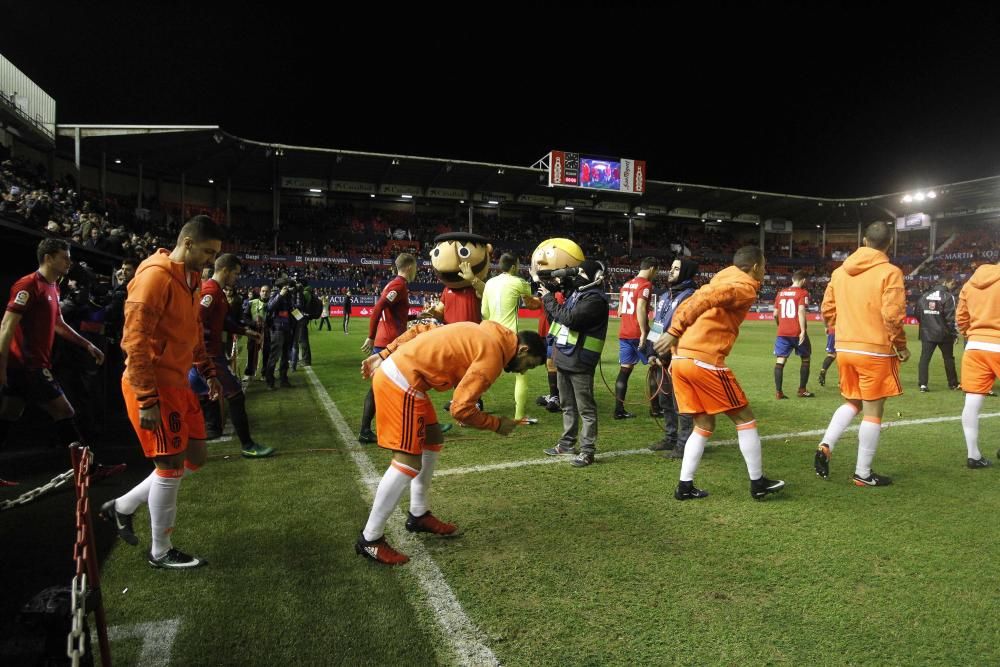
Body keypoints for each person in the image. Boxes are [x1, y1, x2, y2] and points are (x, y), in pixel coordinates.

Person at [355, 320, 546, 565]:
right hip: (401, 383)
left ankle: (418, 514)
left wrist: (384, 353)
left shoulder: (486, 330)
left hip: (405, 377)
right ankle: (370, 539)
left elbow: (423, 328)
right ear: (523, 350)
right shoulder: (493, 356)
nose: (522, 371)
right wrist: (497, 424)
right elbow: (461, 409)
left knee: (433, 437)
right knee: (408, 462)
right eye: (527, 366)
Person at [100, 215, 224, 569]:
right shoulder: (155, 276)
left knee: (194, 457)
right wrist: (147, 399)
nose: (210, 260)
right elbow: (134, 341)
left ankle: (122, 507)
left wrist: (208, 371)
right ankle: (160, 551)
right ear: (187, 243)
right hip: (153, 385)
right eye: (207, 252)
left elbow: (194, 331)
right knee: (169, 465)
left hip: (179, 382)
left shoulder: (192, 278)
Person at [653, 246, 785, 501]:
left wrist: (673, 334)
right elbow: (709, 297)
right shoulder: (743, 286)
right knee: (745, 419)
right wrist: (674, 331)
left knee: (703, 424)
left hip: (681, 359)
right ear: (755, 267)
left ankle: (684, 486)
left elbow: (694, 300)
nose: (766, 272)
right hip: (704, 360)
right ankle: (758, 483)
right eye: (765, 266)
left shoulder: (720, 279)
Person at [0, 238, 122, 486]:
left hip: (28, 366)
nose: (69, 261)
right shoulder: (28, 285)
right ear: (48, 258)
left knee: (9, 415)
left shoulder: (53, 287)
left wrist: (87, 345)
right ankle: (90, 469)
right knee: (65, 412)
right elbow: (6, 327)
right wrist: (1, 368)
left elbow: (58, 324)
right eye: (64, 257)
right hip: (28, 367)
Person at [813, 222, 910, 487]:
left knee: (852, 402)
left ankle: (826, 445)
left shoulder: (840, 273)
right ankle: (863, 473)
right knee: (873, 412)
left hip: (845, 348)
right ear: (889, 243)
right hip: (875, 350)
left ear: (864, 241)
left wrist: (841, 330)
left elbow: (827, 308)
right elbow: (892, 316)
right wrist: (901, 346)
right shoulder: (890, 272)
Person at [189, 254, 274, 458]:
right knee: (235, 395)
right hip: (208, 355)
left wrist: (245, 331)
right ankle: (247, 444)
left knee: (197, 396)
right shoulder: (210, 291)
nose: (237, 278)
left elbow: (222, 322)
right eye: (235, 273)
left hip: (208, 354)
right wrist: (202, 354)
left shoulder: (216, 292)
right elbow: (195, 322)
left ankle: (197, 437)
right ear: (225, 270)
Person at [539, 259, 610, 468]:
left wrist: (548, 299)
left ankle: (587, 451)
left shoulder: (595, 300)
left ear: (596, 278)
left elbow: (568, 318)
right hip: (565, 358)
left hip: (580, 362)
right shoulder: (578, 294)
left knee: (585, 409)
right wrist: (552, 281)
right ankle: (567, 444)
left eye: (582, 274)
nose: (577, 277)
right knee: (567, 405)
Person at [359, 253, 417, 443]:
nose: (417, 271)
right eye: (415, 267)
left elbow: (394, 315)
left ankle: (366, 430)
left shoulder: (395, 285)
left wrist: (417, 317)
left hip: (388, 342)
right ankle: (417, 424)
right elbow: (378, 308)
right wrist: (370, 336)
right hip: (391, 343)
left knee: (381, 386)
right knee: (411, 381)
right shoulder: (398, 285)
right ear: (409, 267)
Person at [481, 253, 542, 423]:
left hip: (489, 333)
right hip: (509, 336)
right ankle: (519, 416)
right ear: (514, 267)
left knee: (480, 373)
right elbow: (532, 303)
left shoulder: (489, 283)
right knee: (521, 373)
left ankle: (468, 409)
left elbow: (484, 312)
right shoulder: (518, 282)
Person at [647, 257, 698, 458]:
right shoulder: (666, 296)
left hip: (679, 359)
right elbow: (658, 326)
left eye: (676, 269)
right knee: (665, 400)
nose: (671, 271)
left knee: (681, 404)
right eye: (671, 267)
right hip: (661, 358)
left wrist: (665, 354)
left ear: (685, 272)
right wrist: (651, 352)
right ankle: (670, 438)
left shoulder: (690, 297)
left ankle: (684, 444)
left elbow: (685, 331)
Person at [955, 262, 999, 468]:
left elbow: (961, 317)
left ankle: (973, 455)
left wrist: (971, 335)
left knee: (972, 401)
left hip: (975, 347)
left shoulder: (970, 283)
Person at [614, 257, 657, 419]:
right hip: (638, 333)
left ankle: (618, 410)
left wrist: (644, 307)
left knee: (624, 371)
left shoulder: (626, 285)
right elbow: (639, 306)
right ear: (652, 269)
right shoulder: (645, 284)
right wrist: (644, 332)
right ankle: (656, 409)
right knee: (656, 367)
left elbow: (619, 311)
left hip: (624, 333)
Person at [773, 270, 815, 399]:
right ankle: (802, 390)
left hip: (783, 332)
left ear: (792, 279)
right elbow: (801, 311)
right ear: (803, 280)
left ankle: (779, 392)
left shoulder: (780, 293)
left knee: (780, 360)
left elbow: (775, 314)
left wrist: (779, 325)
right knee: (806, 358)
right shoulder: (802, 293)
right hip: (797, 332)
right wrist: (803, 330)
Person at [916, 274, 960, 392]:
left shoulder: (924, 295)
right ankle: (953, 384)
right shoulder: (948, 296)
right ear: (945, 283)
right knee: (948, 359)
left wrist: (926, 325)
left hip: (927, 332)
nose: (952, 287)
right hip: (944, 333)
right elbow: (951, 318)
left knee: (924, 358)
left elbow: (917, 313)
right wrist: (954, 334)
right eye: (952, 284)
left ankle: (923, 385)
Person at [264, 278, 295, 390]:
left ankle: (284, 380)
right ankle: (270, 382)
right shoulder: (275, 294)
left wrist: (301, 317)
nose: (289, 287)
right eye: (287, 285)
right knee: (274, 356)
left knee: (285, 356)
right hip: (277, 329)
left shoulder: (289, 296)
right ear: (282, 286)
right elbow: (270, 307)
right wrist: (280, 295)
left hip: (287, 329)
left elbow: (292, 310)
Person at [243, 285, 269, 381]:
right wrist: (254, 323)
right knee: (251, 352)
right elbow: (245, 317)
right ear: (260, 292)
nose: (264, 293)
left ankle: (264, 373)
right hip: (254, 331)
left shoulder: (272, 303)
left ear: (269, 292)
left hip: (267, 332)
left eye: (266, 291)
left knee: (266, 352)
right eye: (263, 291)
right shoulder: (251, 303)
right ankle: (249, 372)